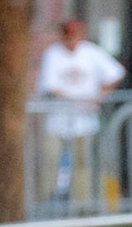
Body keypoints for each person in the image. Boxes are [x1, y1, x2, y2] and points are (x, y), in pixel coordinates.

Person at [37, 19, 125, 202]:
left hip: (84, 121)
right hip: (57, 119)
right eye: (69, 36)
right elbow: (51, 86)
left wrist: (100, 96)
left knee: (82, 163)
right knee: (51, 160)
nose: (72, 40)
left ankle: (81, 205)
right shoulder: (53, 54)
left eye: (75, 36)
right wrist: (78, 101)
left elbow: (116, 72)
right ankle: (48, 202)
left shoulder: (91, 52)